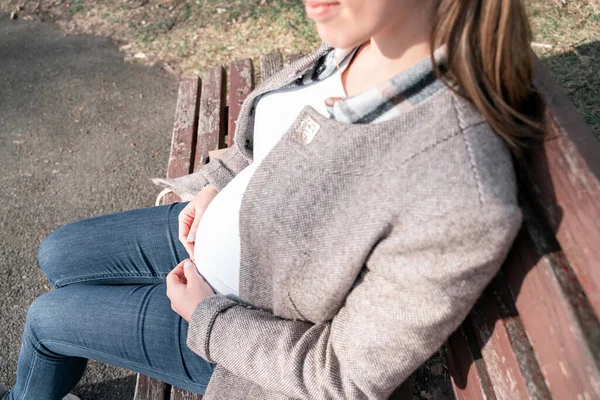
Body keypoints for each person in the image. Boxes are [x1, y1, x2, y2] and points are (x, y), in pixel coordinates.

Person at [1, 0, 546, 399]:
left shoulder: (457, 190)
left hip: (239, 335)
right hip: (214, 227)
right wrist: (216, 184)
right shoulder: (360, 39)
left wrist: (206, 317)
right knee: (57, 254)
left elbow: (343, 376)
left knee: (47, 321)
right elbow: (265, 144)